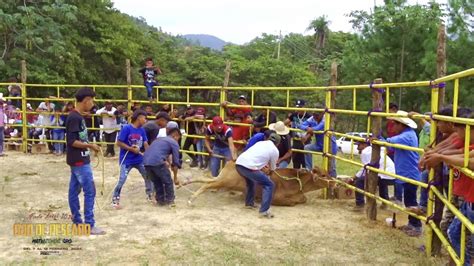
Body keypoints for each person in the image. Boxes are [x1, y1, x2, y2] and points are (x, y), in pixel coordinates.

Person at [422, 108, 474, 265]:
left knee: (464, 237)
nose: (456, 130)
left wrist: (441, 157)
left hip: (469, 198)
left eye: (459, 127)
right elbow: (462, 154)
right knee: (454, 231)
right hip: (468, 198)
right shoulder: (462, 141)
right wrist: (438, 155)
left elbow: (470, 161)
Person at [65, 87, 105, 235]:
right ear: (86, 100)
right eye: (92, 100)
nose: (92, 104)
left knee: (74, 191)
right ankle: (89, 224)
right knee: (90, 191)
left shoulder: (76, 116)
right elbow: (72, 141)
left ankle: (77, 223)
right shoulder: (74, 118)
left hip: (78, 159)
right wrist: (90, 145)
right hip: (80, 160)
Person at [385, 110, 421, 237]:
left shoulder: (407, 136)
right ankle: (412, 223)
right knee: (409, 200)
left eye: (395, 124)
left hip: (410, 173)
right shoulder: (406, 135)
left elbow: (389, 141)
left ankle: (416, 226)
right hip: (406, 172)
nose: (392, 127)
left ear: (401, 125)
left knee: (411, 201)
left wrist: (380, 140)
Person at [111, 110, 153, 208]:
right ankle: (115, 200)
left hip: (139, 159)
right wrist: (130, 149)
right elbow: (119, 143)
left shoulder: (142, 130)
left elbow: (145, 143)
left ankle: (150, 195)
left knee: (148, 176)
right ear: (139, 118)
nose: (145, 120)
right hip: (126, 160)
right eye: (144, 118)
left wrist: (150, 153)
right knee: (121, 179)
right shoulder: (126, 128)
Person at [236, 132, 281, 218]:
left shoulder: (260, 143)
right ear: (278, 143)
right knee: (269, 184)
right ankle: (264, 210)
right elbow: (272, 168)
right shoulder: (275, 150)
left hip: (239, 163)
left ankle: (249, 203)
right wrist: (269, 172)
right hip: (249, 166)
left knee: (251, 182)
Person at [143, 128, 182, 206]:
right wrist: (175, 177)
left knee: (157, 182)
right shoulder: (173, 142)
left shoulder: (159, 139)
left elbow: (159, 151)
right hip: (157, 162)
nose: (178, 140)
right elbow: (176, 161)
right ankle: (170, 201)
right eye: (178, 138)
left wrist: (167, 162)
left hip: (146, 162)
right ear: (175, 135)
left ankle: (160, 201)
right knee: (168, 181)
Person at [352, 140, 396, 210]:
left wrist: (355, 178)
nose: (357, 148)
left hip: (384, 174)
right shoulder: (373, 150)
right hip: (392, 175)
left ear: (364, 145)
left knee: (359, 182)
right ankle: (385, 203)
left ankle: (360, 204)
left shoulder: (365, 152)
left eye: (359, 145)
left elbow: (365, 168)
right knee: (382, 182)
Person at [299, 105, 338, 176]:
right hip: (319, 145)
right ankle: (309, 170)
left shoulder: (326, 119)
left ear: (322, 114)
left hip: (330, 147)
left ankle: (333, 181)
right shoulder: (312, 118)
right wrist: (308, 128)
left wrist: (311, 129)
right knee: (307, 148)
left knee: (332, 167)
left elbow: (318, 128)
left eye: (316, 115)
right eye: (313, 114)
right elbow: (301, 125)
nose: (314, 117)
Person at [285, 99, 312, 169]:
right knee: (296, 161)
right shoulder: (294, 115)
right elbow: (286, 121)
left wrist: (307, 137)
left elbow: (312, 129)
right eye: (297, 107)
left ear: (304, 106)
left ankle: (306, 175)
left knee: (305, 161)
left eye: (300, 107)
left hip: (306, 141)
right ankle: (296, 176)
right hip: (296, 140)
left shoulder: (309, 116)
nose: (298, 109)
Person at [386, 103, 403, 202]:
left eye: (389, 110)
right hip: (391, 150)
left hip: (395, 150)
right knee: (394, 173)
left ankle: (399, 196)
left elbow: (397, 137)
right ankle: (396, 195)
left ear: (393, 109)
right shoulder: (389, 122)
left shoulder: (398, 122)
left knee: (398, 173)